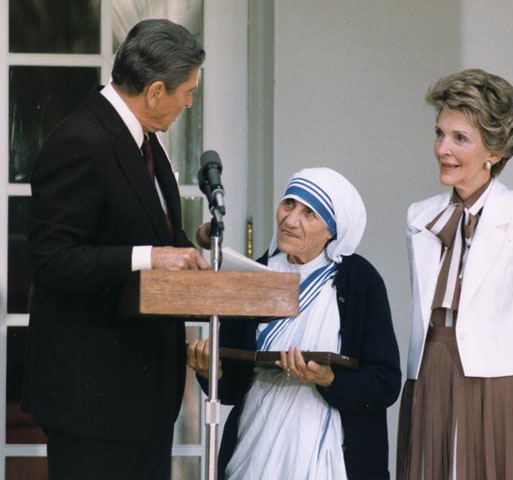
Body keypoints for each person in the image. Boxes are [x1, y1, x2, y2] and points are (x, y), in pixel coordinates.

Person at [23, 19, 209, 480]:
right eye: (187, 92)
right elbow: (51, 259)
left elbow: (151, 231)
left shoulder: (146, 140)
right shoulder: (80, 141)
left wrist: (190, 246)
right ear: (155, 91)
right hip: (93, 403)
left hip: (143, 397)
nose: (189, 102)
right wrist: (150, 256)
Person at [396, 69, 513, 480]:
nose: (442, 149)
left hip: (502, 383)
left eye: (459, 138)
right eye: (440, 133)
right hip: (429, 372)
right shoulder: (420, 217)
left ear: (495, 150)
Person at [188, 168, 401, 480]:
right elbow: (232, 388)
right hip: (256, 446)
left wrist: (329, 380)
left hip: (336, 455)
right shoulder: (253, 275)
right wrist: (211, 372)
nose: (289, 220)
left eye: (309, 213)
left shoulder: (361, 282)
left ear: (333, 228)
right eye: (288, 204)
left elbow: (385, 382)